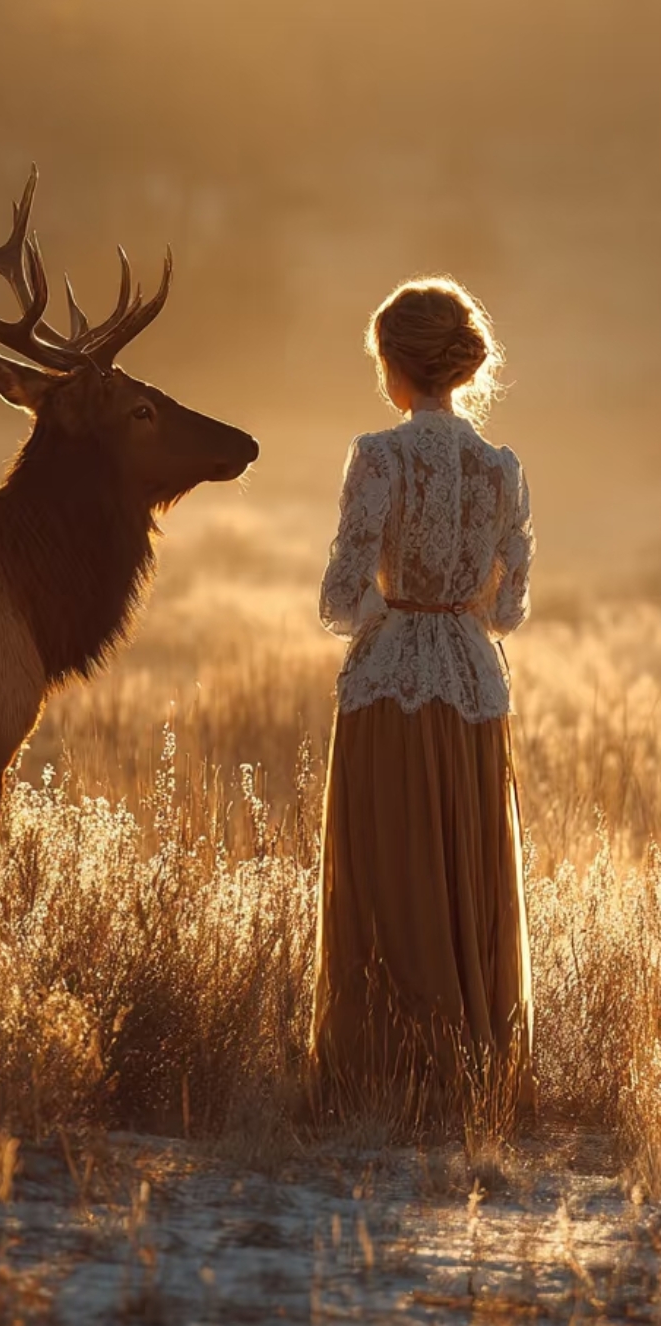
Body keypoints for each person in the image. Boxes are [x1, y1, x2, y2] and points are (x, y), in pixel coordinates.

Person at [311, 277, 533, 1103]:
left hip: (388, 683)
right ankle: (473, 1079)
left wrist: (391, 612)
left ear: (395, 365)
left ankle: (384, 1077)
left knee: (388, 877)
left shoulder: (380, 457)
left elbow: (341, 594)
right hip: (473, 688)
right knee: (460, 881)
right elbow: (507, 608)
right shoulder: (499, 469)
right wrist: (455, 610)